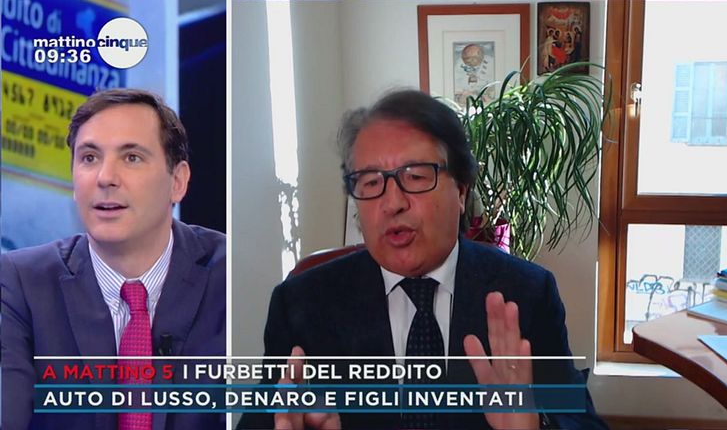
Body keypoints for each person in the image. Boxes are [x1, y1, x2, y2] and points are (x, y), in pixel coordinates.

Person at [236, 89, 606, 429]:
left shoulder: (526, 293)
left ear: (461, 191)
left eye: (415, 177)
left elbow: (579, 420)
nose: (392, 203)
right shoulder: (301, 304)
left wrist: (536, 425)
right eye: (370, 182)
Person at [1, 88, 226, 430]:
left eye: (131, 157)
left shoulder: (228, 274)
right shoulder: (22, 282)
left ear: (177, 182)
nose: (105, 178)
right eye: (89, 158)